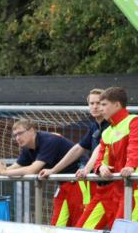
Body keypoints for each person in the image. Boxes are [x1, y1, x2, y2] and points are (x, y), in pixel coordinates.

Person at [75, 86, 138, 230]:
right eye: (95, 104)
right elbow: (100, 157)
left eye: (104, 104)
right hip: (112, 189)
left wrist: (130, 166)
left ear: (117, 105)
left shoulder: (135, 121)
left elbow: (136, 146)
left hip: (135, 187)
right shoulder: (107, 132)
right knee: (83, 231)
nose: (99, 108)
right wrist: (100, 167)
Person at [0, 119, 82, 227]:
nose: (17, 138)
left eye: (20, 133)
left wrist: (3, 172)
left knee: (80, 225)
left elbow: (32, 170)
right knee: (57, 226)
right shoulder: (27, 147)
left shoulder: (48, 140)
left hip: (80, 181)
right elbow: (15, 167)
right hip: (64, 184)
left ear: (32, 130)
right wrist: (0, 169)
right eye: (15, 135)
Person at [38, 88, 109, 216]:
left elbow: (99, 150)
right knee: (86, 226)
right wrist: (53, 170)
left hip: (114, 183)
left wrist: (86, 169)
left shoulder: (111, 125)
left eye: (98, 103)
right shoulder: (94, 126)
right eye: (91, 103)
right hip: (100, 184)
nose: (95, 107)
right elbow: (78, 148)